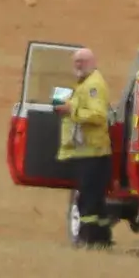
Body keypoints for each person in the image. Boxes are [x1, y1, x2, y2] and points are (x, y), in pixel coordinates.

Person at [60, 46, 115, 248]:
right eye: (76, 61)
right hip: (88, 152)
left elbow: (98, 115)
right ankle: (102, 239)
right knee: (95, 199)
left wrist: (71, 110)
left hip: (94, 153)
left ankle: (86, 238)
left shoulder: (94, 85)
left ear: (92, 63)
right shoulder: (84, 84)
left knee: (87, 201)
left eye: (82, 61)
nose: (78, 65)